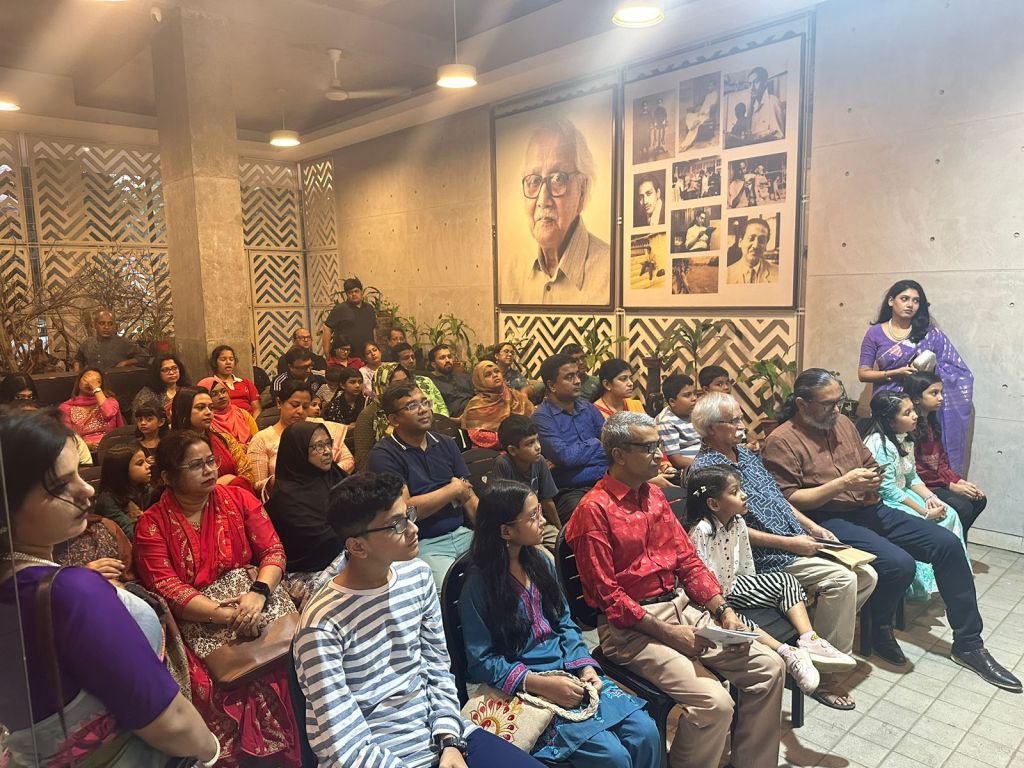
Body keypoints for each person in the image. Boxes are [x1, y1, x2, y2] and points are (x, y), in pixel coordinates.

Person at [761, 368, 1020, 690]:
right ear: (802, 404)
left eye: (840, 401)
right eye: (828, 404)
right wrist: (842, 483)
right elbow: (788, 500)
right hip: (828, 519)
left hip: (871, 507)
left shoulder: (843, 425)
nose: (837, 409)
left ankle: (969, 644)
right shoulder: (781, 440)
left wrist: (872, 476)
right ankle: (879, 627)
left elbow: (870, 463)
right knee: (899, 564)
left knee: (948, 544)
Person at [565, 411, 785, 768]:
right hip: (630, 629)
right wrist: (672, 634)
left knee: (769, 667)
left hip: (681, 608)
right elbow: (608, 597)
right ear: (619, 455)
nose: (659, 454)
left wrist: (723, 610)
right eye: (648, 447)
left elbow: (688, 561)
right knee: (715, 703)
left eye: (658, 445)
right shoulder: (594, 510)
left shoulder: (653, 495)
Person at [0, 410, 219, 768]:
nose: (87, 489)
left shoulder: (17, 582)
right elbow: (171, 722)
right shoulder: (69, 591)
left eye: (78, 473)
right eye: (60, 486)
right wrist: (210, 750)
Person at [294, 472, 543, 768]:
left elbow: (437, 667)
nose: (413, 528)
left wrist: (449, 740)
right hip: (373, 754)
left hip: (442, 736)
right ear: (358, 547)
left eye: (408, 515)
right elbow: (343, 742)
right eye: (397, 524)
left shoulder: (417, 575)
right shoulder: (321, 624)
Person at [690, 392, 876, 709]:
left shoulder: (745, 455)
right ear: (710, 428)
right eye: (733, 420)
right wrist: (791, 544)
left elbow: (778, 498)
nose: (741, 425)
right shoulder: (706, 471)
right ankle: (825, 675)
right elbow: (731, 529)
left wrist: (811, 527)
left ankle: (813, 646)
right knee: (842, 580)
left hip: (795, 540)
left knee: (868, 574)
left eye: (740, 418)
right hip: (768, 556)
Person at [460, 479, 661, 767]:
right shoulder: (478, 586)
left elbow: (564, 621)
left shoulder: (540, 563)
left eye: (539, 511)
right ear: (506, 531)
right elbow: (481, 660)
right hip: (526, 688)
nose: (542, 520)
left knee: (646, 733)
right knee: (612, 757)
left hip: (569, 671)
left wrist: (585, 666)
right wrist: (541, 684)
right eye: (532, 516)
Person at [134, 431, 303, 767]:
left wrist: (258, 594)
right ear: (168, 476)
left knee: (295, 654)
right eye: (196, 465)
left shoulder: (239, 499)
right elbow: (166, 587)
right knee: (216, 683)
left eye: (211, 461)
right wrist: (226, 615)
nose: (210, 470)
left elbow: (272, 551)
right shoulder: (151, 525)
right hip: (201, 615)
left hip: (259, 598)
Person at [684, 466, 857, 698]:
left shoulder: (737, 522)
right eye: (735, 492)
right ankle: (787, 653)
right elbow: (700, 577)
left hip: (735, 583)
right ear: (714, 504)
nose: (744, 495)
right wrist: (723, 605)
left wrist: (759, 592)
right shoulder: (702, 531)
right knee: (738, 620)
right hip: (714, 598)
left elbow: (745, 563)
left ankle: (810, 640)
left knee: (785, 580)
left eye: (740, 489)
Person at [367, 381, 478, 589]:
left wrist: (489, 528)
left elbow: (469, 496)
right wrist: (452, 490)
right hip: (422, 542)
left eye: (425, 402)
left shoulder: (445, 443)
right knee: (450, 589)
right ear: (394, 419)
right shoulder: (384, 455)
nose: (423, 409)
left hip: (462, 533)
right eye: (411, 406)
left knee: (506, 563)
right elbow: (406, 510)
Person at [857, 279, 974, 473]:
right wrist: (896, 373)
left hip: (918, 407)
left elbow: (955, 370)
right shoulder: (875, 333)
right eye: (904, 299)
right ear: (891, 301)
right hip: (888, 406)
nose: (910, 304)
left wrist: (928, 370)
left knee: (916, 462)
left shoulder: (930, 334)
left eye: (916, 300)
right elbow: (863, 374)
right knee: (889, 459)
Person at [859, 391, 967, 599]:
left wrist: (930, 498)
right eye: (907, 413)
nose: (915, 416)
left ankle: (947, 581)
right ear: (890, 421)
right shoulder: (879, 444)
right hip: (887, 500)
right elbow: (887, 490)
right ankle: (918, 586)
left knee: (950, 513)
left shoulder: (905, 438)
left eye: (913, 410)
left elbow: (911, 476)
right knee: (927, 523)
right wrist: (923, 512)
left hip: (904, 491)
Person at [506, 120, 611, 306]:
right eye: (533, 181)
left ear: (582, 190)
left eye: (557, 178)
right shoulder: (512, 272)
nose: (543, 200)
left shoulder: (611, 271)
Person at [904, 371, 987, 531]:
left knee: (979, 500)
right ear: (916, 398)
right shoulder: (910, 427)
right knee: (963, 507)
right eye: (934, 393)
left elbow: (942, 461)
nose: (941, 398)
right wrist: (950, 486)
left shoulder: (932, 423)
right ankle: (949, 542)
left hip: (936, 482)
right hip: (920, 485)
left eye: (941, 392)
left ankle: (958, 541)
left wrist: (958, 481)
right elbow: (915, 470)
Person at [531, 354, 608, 525]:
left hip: (606, 480)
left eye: (577, 375)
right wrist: (595, 443)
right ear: (552, 386)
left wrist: (585, 451)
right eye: (569, 377)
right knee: (590, 516)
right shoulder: (542, 418)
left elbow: (610, 445)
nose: (578, 381)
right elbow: (566, 457)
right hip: (570, 491)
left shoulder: (588, 408)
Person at [264, 422, 347, 577]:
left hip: (351, 554)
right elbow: (322, 541)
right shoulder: (286, 497)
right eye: (318, 446)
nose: (327, 451)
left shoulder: (334, 475)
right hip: (311, 573)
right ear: (298, 450)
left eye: (328, 443)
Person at [493, 415, 561, 548]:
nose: (538, 447)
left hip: (539, 523)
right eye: (530, 443)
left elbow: (547, 501)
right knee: (545, 557)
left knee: (565, 546)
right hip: (518, 531)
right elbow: (504, 512)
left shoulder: (539, 461)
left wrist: (561, 531)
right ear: (512, 450)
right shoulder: (503, 465)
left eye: (537, 440)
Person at [171, 386, 255, 492]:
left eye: (211, 407)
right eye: (200, 407)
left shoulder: (225, 439)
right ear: (184, 411)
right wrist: (224, 482)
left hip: (235, 498)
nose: (208, 412)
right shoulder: (172, 448)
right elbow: (180, 488)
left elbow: (248, 475)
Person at [247, 379, 312, 497]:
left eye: (306, 407)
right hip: (281, 501)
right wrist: (286, 478)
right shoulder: (262, 439)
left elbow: (345, 458)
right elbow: (257, 487)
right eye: (295, 405)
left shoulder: (317, 431)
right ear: (279, 403)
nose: (300, 411)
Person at [461, 360, 534, 450]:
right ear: (479, 381)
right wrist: (513, 440)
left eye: (497, 371)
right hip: (493, 452)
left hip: (527, 445)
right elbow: (477, 436)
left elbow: (534, 418)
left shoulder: (516, 396)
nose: (495, 375)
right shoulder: (476, 406)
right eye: (488, 375)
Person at [352, 362, 409, 471]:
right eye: (397, 383)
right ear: (383, 385)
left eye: (406, 381)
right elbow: (362, 461)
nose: (404, 387)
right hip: (384, 472)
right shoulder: (368, 415)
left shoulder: (413, 408)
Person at [95, 443, 155, 540]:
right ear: (122, 470)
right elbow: (132, 534)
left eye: (146, 461)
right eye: (140, 463)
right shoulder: (107, 500)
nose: (148, 466)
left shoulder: (146, 489)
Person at [60, 367, 125, 449]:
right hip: (81, 450)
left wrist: (96, 388)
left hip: (110, 448)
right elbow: (67, 437)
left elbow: (108, 413)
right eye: (87, 379)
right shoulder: (65, 407)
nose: (90, 383)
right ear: (78, 381)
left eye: (96, 381)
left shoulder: (111, 402)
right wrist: (85, 445)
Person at [655, 373, 701, 474]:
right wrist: (706, 464)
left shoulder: (695, 413)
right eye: (687, 395)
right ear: (672, 401)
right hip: (688, 471)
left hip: (703, 460)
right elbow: (676, 460)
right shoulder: (666, 421)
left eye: (694, 393)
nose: (694, 398)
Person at [322, 277, 377, 358]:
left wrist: (375, 347)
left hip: (367, 355)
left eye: (356, 291)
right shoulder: (340, 309)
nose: (353, 294)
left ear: (361, 292)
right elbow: (327, 328)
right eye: (350, 292)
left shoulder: (369, 308)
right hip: (347, 357)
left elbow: (373, 329)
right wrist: (326, 352)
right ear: (346, 295)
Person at [73, 309, 143, 371]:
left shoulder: (123, 343)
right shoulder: (88, 343)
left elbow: (144, 357)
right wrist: (77, 373)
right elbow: (78, 360)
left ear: (114, 326)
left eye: (110, 324)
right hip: (93, 379)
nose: (106, 327)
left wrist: (125, 362)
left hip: (115, 380)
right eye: (102, 323)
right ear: (95, 325)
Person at [196, 375, 257, 445]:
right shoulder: (206, 421)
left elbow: (257, 440)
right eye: (214, 394)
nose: (221, 396)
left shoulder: (242, 414)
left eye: (223, 391)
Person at [393, 342, 450, 416]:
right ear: (396, 362)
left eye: (413, 357)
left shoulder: (425, 380)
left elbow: (442, 406)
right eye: (406, 358)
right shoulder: (397, 385)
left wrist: (444, 419)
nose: (411, 361)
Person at [209, 344, 262, 417]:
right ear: (215, 362)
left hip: (250, 420)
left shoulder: (246, 382)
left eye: (231, 359)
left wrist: (252, 422)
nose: (228, 362)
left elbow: (257, 409)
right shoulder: (212, 385)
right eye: (223, 359)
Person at [726, 217, 778, 284]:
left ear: (766, 245)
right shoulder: (726, 274)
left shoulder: (778, 273)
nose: (755, 246)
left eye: (761, 240)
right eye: (751, 238)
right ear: (740, 242)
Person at [429, 344, 475, 417]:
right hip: (455, 419)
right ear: (433, 364)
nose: (447, 360)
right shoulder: (431, 384)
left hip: (476, 410)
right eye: (442, 358)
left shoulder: (464, 377)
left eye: (449, 357)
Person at [679, 77, 719, 152]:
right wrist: (699, 111)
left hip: (706, 114)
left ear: (714, 86)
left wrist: (704, 112)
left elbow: (712, 106)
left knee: (695, 125)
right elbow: (702, 103)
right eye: (708, 86)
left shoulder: (715, 94)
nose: (709, 87)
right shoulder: (707, 95)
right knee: (689, 115)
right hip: (700, 113)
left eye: (710, 86)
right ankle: (692, 127)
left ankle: (686, 144)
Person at [747, 66, 785, 142]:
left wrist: (756, 138)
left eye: (756, 82)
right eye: (750, 84)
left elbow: (779, 136)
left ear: (765, 83)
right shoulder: (753, 107)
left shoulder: (773, 101)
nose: (752, 88)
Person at [134, 398, 168, 467]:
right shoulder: (134, 446)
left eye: (149, 419)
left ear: (161, 422)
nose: (143, 423)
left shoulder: (168, 443)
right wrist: (143, 463)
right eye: (140, 419)